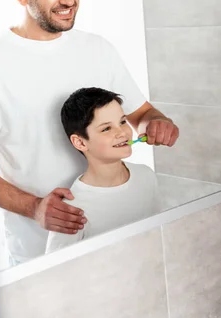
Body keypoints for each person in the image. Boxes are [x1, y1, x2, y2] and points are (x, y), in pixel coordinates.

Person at [0, 0, 179, 264]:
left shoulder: (98, 49)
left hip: (121, 245)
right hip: (41, 257)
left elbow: (143, 113)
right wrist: (34, 207)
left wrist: (158, 123)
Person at [46, 88, 159, 253]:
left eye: (122, 122)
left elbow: (159, 235)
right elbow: (56, 272)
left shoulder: (146, 176)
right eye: (106, 129)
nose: (122, 132)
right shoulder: (72, 208)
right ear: (80, 142)